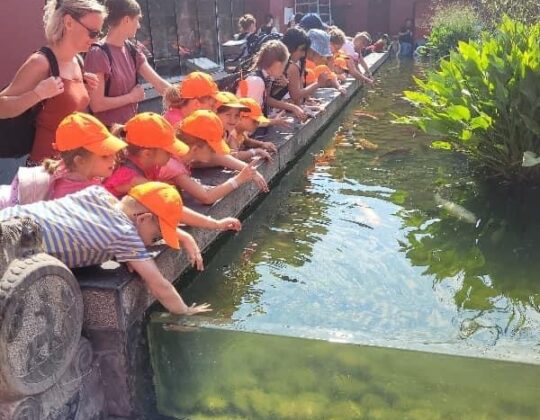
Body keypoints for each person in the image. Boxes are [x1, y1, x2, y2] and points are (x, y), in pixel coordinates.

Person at [0, 181, 239, 314]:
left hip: (10, 219)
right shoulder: (125, 234)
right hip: (12, 249)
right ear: (143, 219)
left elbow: (102, 226)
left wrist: (183, 236)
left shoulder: (98, 195)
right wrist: (185, 311)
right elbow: (159, 285)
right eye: (157, 235)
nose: (154, 242)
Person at [0, 0, 105, 165]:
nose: (97, 39)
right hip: (44, 169)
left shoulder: (77, 61)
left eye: (99, 33)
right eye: (93, 33)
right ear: (69, 22)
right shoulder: (40, 63)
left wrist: (85, 90)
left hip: (71, 167)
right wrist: (37, 94)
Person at [106, 111, 263, 205]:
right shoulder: (171, 165)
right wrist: (238, 179)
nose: (216, 152)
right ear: (195, 149)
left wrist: (246, 167)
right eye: (213, 148)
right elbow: (206, 197)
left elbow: (219, 158)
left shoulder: (179, 156)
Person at [0, 112, 126, 209]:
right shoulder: (73, 196)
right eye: (105, 156)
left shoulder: (71, 174)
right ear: (79, 161)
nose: (114, 158)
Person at [84, 0, 171, 126]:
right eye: (137, 19)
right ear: (126, 20)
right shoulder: (98, 53)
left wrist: (186, 98)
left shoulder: (132, 50)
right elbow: (96, 105)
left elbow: (159, 83)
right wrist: (131, 97)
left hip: (130, 129)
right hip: (108, 132)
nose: (139, 26)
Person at [237, 40, 306, 121]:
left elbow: (258, 112)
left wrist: (291, 108)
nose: (283, 71)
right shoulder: (257, 82)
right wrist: (273, 122)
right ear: (277, 65)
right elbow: (249, 119)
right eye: (284, 66)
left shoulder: (265, 77)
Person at [271, 27, 327, 105]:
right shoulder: (292, 67)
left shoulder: (297, 61)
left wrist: (305, 101)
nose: (304, 54)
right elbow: (296, 95)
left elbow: (299, 88)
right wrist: (318, 83)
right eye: (302, 50)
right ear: (291, 47)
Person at [215, 92, 274, 162]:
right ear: (242, 117)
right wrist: (255, 151)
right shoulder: (231, 133)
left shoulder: (229, 131)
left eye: (236, 115)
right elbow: (235, 156)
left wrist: (262, 144)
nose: (257, 124)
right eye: (254, 121)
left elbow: (247, 141)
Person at [305, 29, 345, 95]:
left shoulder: (313, 61)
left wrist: (338, 86)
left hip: (314, 83)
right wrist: (318, 83)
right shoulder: (301, 61)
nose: (322, 57)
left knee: (323, 69)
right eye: (321, 54)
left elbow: (330, 73)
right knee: (310, 73)